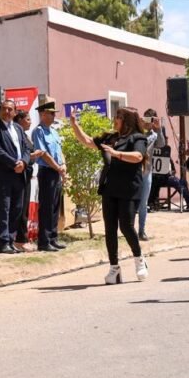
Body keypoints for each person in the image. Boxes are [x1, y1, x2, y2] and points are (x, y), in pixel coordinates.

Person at [70, 107, 149, 284]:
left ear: (127, 120)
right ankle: (114, 268)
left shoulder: (137, 138)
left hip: (129, 189)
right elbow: (88, 141)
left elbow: (137, 156)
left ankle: (139, 259)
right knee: (110, 229)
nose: (115, 120)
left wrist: (116, 154)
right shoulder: (111, 138)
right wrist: (75, 125)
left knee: (126, 226)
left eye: (118, 117)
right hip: (110, 188)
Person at [0, 99, 31, 254]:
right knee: (3, 208)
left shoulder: (18, 128)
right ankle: (3, 242)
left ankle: (11, 240)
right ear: (0, 110)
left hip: (19, 174)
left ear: (15, 112)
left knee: (17, 209)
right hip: (2, 175)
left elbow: (26, 148)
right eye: (4, 109)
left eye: (10, 109)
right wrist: (14, 164)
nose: (7, 112)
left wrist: (23, 163)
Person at [32, 99, 66, 252]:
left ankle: (53, 237)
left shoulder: (54, 131)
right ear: (42, 114)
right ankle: (44, 241)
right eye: (50, 114)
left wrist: (63, 165)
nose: (53, 116)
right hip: (47, 171)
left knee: (55, 206)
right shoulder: (38, 131)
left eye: (53, 114)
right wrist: (58, 167)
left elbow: (59, 151)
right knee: (46, 207)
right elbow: (43, 154)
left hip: (56, 171)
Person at [13, 108, 41, 251]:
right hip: (19, 175)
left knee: (24, 208)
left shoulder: (25, 135)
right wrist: (32, 155)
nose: (30, 122)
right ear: (19, 120)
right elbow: (21, 155)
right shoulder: (18, 135)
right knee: (20, 208)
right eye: (28, 119)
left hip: (28, 175)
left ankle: (22, 238)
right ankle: (19, 240)